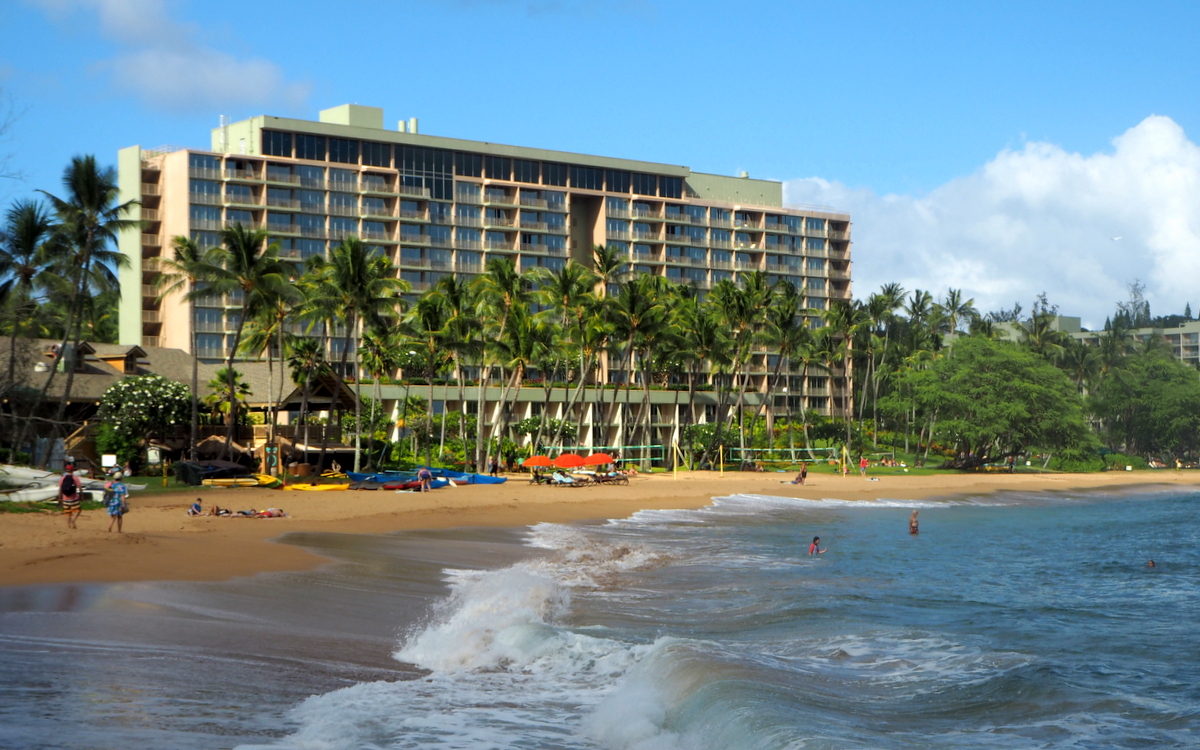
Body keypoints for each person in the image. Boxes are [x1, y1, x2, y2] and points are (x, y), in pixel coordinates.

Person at [59, 465, 81, 529]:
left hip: (65, 498)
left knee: (68, 512)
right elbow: (79, 487)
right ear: (73, 470)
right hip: (73, 498)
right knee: (78, 510)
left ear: (66, 470)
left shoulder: (63, 478)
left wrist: (60, 497)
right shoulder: (75, 478)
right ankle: (73, 520)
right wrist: (81, 496)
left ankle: (68, 526)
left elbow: (60, 488)